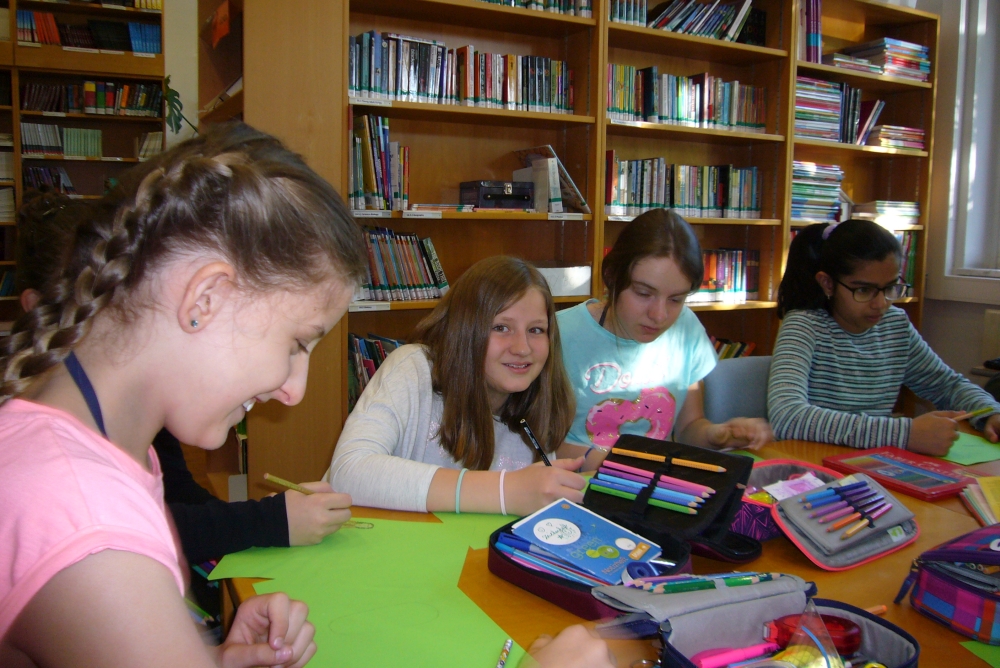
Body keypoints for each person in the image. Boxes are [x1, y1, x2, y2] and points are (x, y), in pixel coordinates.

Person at [0, 125, 614, 668]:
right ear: (205, 299)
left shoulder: (107, 452)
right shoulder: (86, 514)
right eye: (297, 343)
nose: (294, 392)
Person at [13, 191, 349, 622]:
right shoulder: (76, 498)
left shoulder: (122, 437)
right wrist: (268, 520)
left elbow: (172, 499)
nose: (293, 391)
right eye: (296, 344)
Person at [328, 255, 588, 515]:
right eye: (501, 327)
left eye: (536, 330)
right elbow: (348, 472)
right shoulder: (414, 367)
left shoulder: (537, 405)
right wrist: (503, 491)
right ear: (465, 329)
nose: (522, 348)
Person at [556, 209, 773, 462]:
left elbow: (689, 428)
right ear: (612, 277)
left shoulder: (685, 328)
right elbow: (539, 445)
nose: (659, 315)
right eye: (643, 293)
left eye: (676, 299)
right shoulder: (561, 335)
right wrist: (618, 463)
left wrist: (719, 435)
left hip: (655, 481)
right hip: (580, 484)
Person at [767, 219, 1000, 454]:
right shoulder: (804, 326)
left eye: (890, 288)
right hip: (815, 466)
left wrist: (990, 412)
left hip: (873, 464)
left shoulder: (894, 324)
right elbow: (788, 416)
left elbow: (946, 385)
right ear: (828, 284)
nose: (880, 304)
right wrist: (905, 434)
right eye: (864, 290)